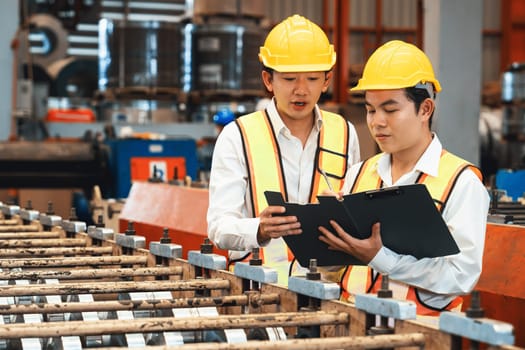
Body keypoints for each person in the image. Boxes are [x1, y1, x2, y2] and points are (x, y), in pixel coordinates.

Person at [318, 40, 490, 316]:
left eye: (390, 109)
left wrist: (381, 259)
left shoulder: (461, 183)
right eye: (371, 109)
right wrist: (326, 232)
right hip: (349, 327)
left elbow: (461, 275)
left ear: (425, 110)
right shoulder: (359, 174)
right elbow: (335, 270)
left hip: (421, 335)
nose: (377, 122)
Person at [207, 14, 361, 285]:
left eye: (312, 79)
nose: (301, 90)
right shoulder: (238, 136)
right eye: (289, 79)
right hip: (255, 294)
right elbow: (219, 227)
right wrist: (259, 228)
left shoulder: (345, 134)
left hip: (325, 293)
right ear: (268, 80)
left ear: (326, 81)